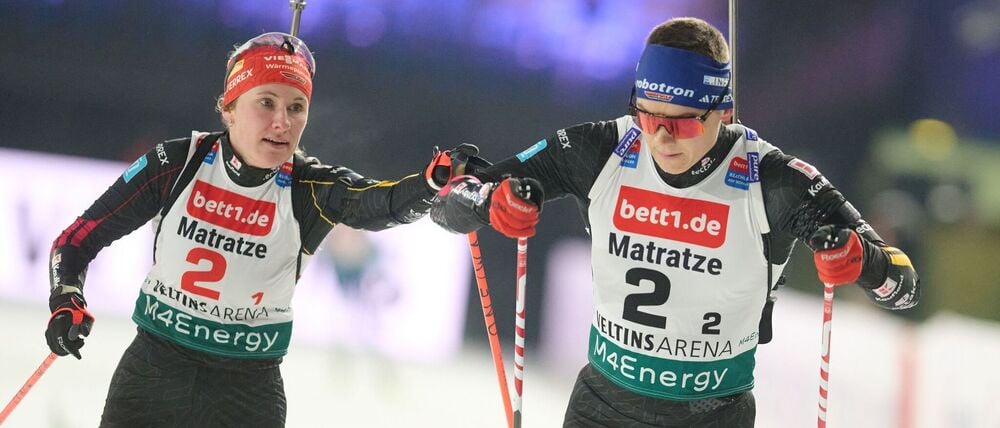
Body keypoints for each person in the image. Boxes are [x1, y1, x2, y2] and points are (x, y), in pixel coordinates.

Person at [431, 17, 920, 427]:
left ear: (722, 111)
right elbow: (449, 200)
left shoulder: (775, 181)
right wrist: (488, 203)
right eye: (648, 117)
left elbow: (903, 286)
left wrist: (863, 262)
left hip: (713, 415)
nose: (661, 138)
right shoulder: (600, 149)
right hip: (602, 409)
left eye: (681, 122)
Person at [43, 32, 483, 427]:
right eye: (266, 102)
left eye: (296, 107)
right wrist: (66, 299)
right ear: (229, 107)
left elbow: (379, 204)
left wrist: (432, 181)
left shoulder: (309, 187)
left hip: (246, 393)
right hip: (154, 374)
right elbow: (78, 238)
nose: (282, 122)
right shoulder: (177, 163)